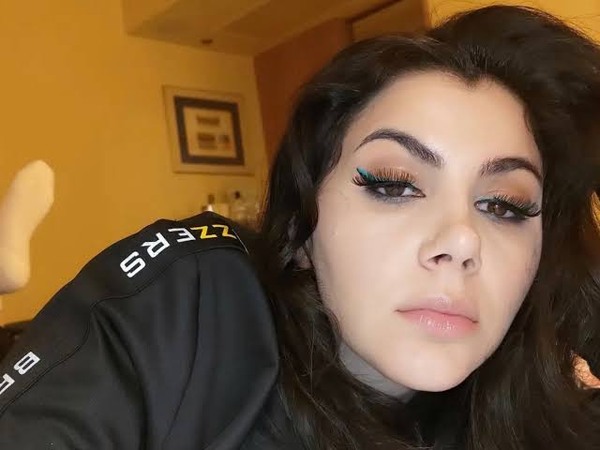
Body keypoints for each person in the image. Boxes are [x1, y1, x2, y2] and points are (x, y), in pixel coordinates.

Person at [0, 4, 599, 449]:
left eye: (504, 205)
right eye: (395, 184)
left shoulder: (553, 400)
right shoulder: (201, 299)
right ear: (302, 228)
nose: (462, 239)